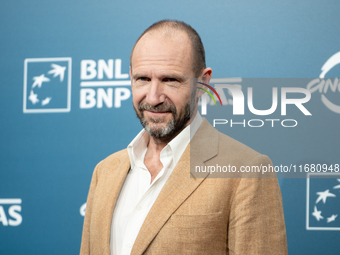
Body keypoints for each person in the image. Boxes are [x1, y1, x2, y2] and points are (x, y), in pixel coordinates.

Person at [80, 20, 287, 255]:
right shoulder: (104, 172)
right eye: (143, 79)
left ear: (203, 83)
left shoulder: (246, 172)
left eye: (170, 80)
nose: (154, 96)